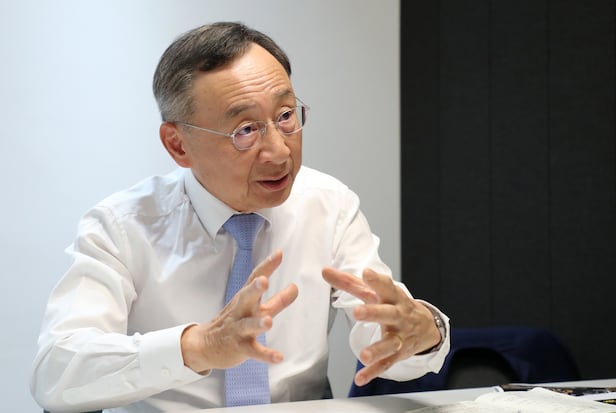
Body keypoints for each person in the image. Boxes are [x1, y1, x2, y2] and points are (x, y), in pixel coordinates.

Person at [30, 22, 450, 412]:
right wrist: (198, 347)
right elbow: (55, 373)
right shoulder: (121, 226)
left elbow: (383, 334)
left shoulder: (329, 204)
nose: (280, 152)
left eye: (285, 116)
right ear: (178, 145)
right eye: (245, 130)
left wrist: (421, 332)